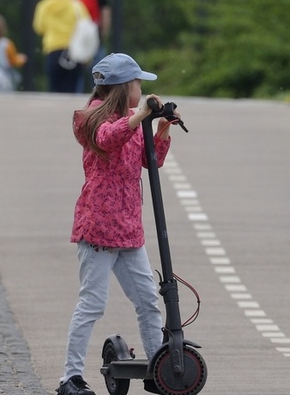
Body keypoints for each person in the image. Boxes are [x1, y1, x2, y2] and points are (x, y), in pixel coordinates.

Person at [58, 53, 177, 395]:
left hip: (128, 230)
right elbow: (109, 138)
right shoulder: (89, 120)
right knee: (92, 303)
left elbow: (146, 160)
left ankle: (158, 368)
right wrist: (141, 116)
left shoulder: (132, 119)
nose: (141, 89)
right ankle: (70, 377)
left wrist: (162, 129)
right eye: (138, 84)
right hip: (98, 228)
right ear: (125, 88)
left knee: (148, 301)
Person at [33, 0, 89, 93]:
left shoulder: (43, 6)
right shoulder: (76, 5)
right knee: (72, 88)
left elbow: (39, 28)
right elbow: (86, 25)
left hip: (53, 49)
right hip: (73, 51)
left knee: (54, 88)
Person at [66, 0, 111, 91]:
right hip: (93, 37)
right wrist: (102, 35)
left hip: (72, 38)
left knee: (74, 78)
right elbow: (106, 17)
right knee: (98, 77)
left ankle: (73, 103)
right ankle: (98, 103)